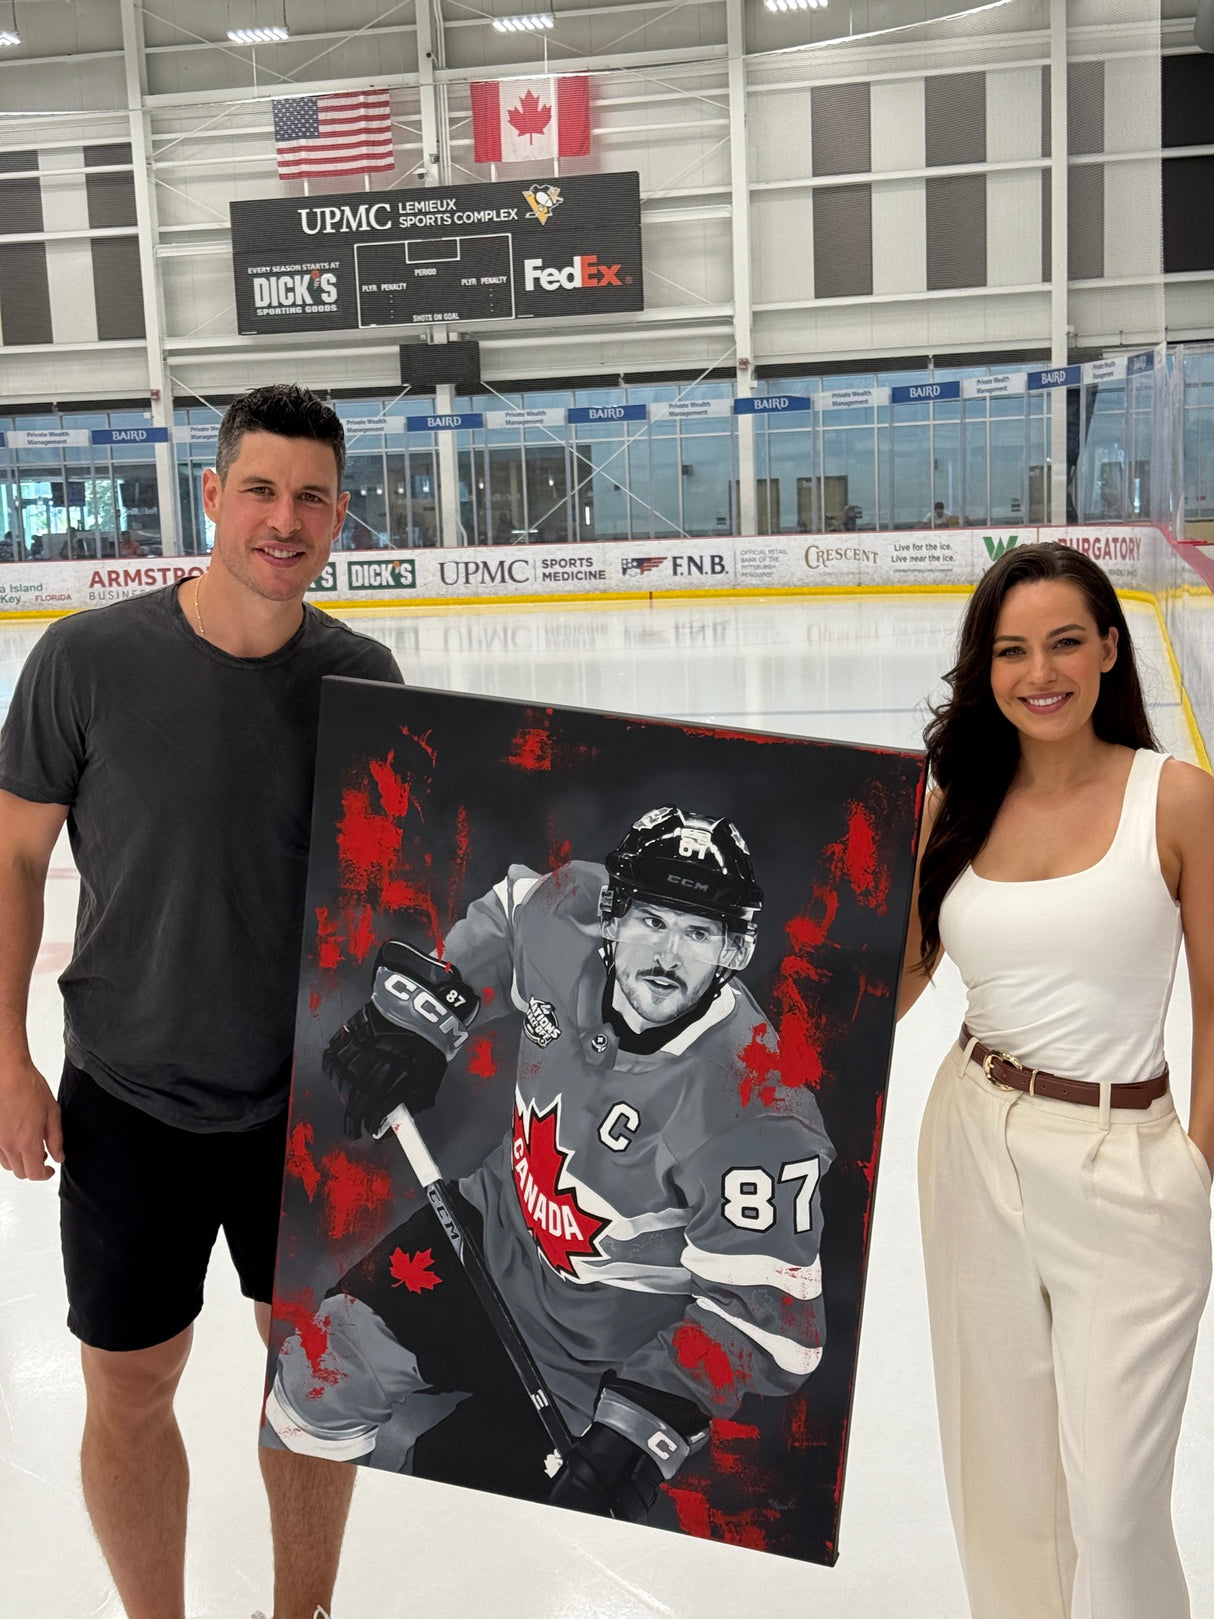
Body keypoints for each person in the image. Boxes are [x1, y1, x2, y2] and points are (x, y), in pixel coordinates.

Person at [0, 383, 403, 1619]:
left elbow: (401, 896)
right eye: (263, 490)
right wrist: (7, 1058)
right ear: (215, 496)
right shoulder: (86, 662)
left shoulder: (363, 676)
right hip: (131, 1097)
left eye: (313, 498)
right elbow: (13, 859)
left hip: (312, 1110)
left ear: (339, 518)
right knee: (129, 1385)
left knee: (314, 1385)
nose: (285, 519)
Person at [266, 806, 834, 1521]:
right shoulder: (568, 913)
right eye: (652, 920)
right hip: (489, 1228)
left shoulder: (756, 1109)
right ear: (613, 915)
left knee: (463, 1514)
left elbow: (772, 1324)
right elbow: (507, 917)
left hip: (595, 1357)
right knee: (317, 1374)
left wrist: (642, 1423)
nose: (668, 952)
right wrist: (428, 1016)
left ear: (733, 951)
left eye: (699, 932)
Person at [899, 542, 1214, 1619]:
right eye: (1010, 650)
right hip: (972, 1138)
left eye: (1065, 641)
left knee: (1118, 1505)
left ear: (1109, 650)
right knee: (1005, 1485)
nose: (1040, 671)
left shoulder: (1173, 799)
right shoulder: (954, 809)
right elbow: (883, 990)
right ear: (982, 670)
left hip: (1128, 1166)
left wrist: (1192, 1160)